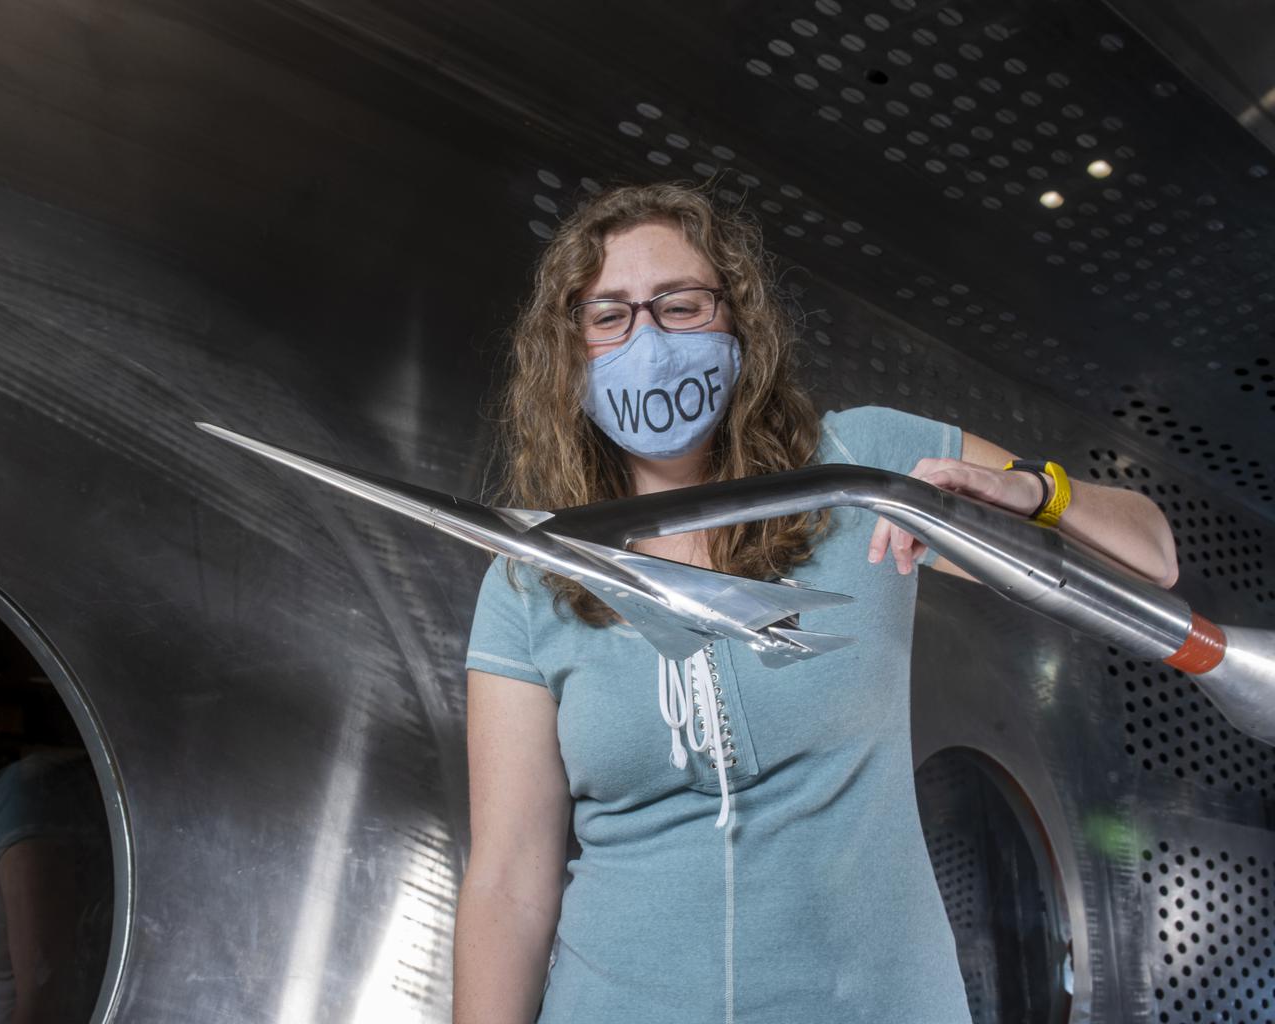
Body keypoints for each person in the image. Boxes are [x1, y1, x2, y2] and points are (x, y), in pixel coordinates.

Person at [451, 181, 1177, 1023]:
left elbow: (1150, 557)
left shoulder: (861, 464)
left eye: (679, 305)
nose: (645, 340)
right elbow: (507, 882)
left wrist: (1031, 497)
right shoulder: (531, 573)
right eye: (608, 315)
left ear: (736, 322)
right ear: (570, 351)